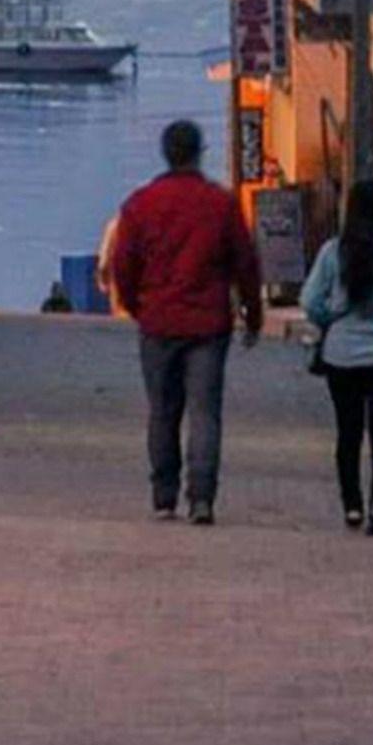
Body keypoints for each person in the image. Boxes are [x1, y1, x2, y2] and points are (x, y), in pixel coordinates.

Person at [108, 119, 264, 526]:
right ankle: (202, 499)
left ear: (165, 152)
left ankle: (164, 496)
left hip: (158, 321)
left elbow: (123, 265)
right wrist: (252, 313)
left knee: (162, 410)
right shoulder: (221, 204)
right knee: (204, 412)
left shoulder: (141, 204)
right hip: (209, 325)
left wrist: (136, 306)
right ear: (199, 152)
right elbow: (245, 263)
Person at [301, 176, 373, 537]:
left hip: (343, 357)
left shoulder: (333, 252)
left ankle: (352, 506)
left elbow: (309, 302)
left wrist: (330, 320)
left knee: (348, 434)